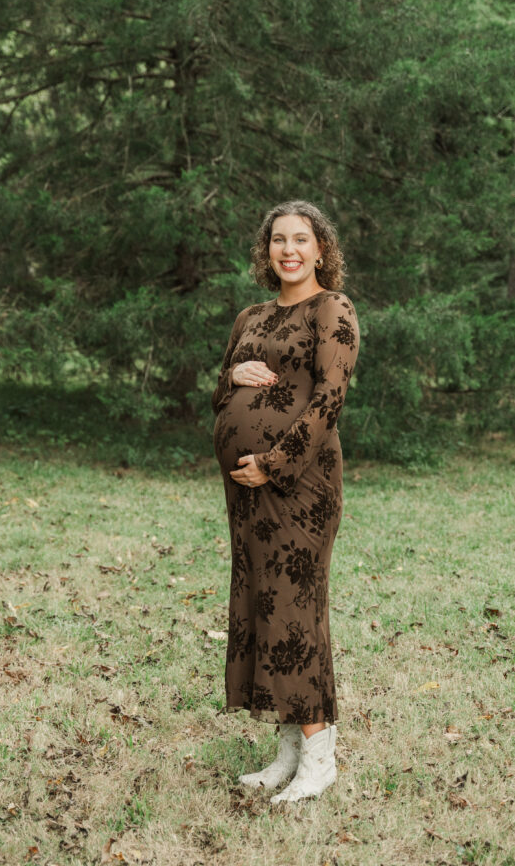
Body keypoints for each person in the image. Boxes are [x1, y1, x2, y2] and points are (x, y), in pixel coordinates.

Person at [211, 200, 359, 805]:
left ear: (321, 249)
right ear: (267, 250)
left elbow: (330, 397)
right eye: (278, 240)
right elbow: (219, 392)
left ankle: (320, 758)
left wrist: (273, 462)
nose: (289, 249)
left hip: (300, 484)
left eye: (301, 239)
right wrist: (232, 378)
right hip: (244, 490)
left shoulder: (333, 309)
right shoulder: (251, 314)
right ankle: (289, 753)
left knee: (295, 609)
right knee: (261, 604)